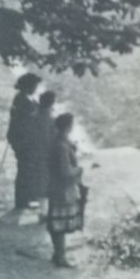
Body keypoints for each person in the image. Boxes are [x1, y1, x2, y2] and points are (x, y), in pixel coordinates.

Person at [46, 111, 85, 269]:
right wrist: (79, 170)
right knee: (60, 224)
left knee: (57, 222)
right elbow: (65, 172)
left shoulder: (58, 141)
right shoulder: (61, 146)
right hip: (62, 189)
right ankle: (60, 257)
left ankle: (58, 254)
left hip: (56, 187)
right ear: (68, 127)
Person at [5, 72, 41, 210]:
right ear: (28, 86)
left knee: (27, 169)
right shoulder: (22, 100)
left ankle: (26, 198)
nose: (36, 87)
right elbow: (26, 121)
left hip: (24, 139)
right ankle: (22, 200)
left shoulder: (25, 98)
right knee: (25, 169)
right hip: (23, 140)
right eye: (34, 85)